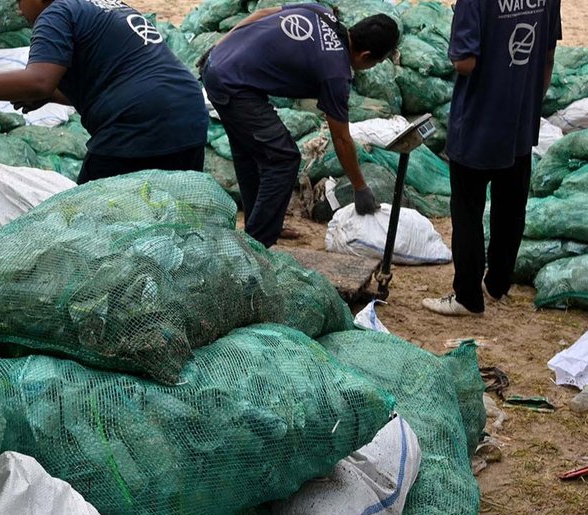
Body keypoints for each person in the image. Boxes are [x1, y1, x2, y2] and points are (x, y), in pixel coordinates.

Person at [0, 0, 208, 184]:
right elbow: (104, 83)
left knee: (92, 221)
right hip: (188, 115)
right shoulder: (104, 6)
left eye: (19, 0)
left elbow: (37, 80)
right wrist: (49, 95)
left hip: (139, 122)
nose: (19, 10)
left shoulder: (56, 12)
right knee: (169, 210)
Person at [201, 7, 400, 248]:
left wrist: (219, 46)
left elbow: (262, 13)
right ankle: (255, 246)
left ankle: (261, 224)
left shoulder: (319, 12)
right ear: (366, 56)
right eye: (376, 63)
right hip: (232, 85)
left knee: (251, 152)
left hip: (221, 63)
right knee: (283, 158)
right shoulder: (335, 72)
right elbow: (342, 139)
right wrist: (360, 187)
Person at [421, 0, 562, 317]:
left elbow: (465, 63)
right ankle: (497, 283)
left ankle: (468, 297)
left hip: (478, 123)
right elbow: (548, 55)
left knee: (467, 211)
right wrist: (528, 104)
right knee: (511, 206)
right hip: (520, 122)